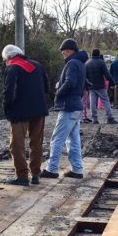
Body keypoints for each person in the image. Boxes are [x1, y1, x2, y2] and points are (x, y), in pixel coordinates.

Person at [0, 44, 49, 186]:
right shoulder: (37, 65)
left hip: (20, 112)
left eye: (5, 60)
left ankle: (22, 176)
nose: (5, 62)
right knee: (36, 143)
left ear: (9, 57)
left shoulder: (13, 67)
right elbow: (46, 87)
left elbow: (8, 92)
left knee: (16, 145)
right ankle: (35, 174)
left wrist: (7, 109)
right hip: (39, 110)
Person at [41, 38, 86, 179]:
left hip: (68, 106)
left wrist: (58, 92)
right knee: (73, 140)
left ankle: (52, 169)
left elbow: (70, 83)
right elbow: (83, 83)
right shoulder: (80, 63)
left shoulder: (72, 63)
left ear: (71, 50)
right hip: (76, 106)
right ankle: (77, 170)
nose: (63, 53)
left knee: (57, 139)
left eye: (65, 51)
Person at [84, 49, 118, 124]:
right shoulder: (101, 63)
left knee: (93, 102)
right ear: (99, 54)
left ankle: (94, 119)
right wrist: (112, 83)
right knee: (106, 101)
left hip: (91, 86)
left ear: (92, 54)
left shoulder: (87, 63)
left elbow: (85, 76)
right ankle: (109, 118)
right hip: (100, 85)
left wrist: (86, 85)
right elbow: (107, 74)